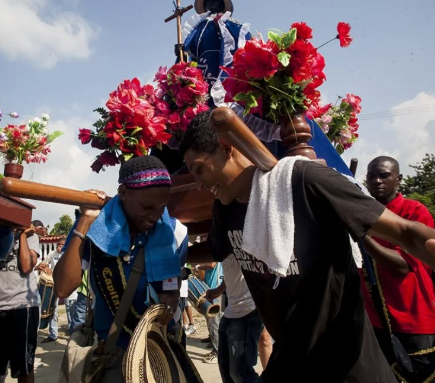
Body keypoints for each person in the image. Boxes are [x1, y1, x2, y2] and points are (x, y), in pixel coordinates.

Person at [180, 111, 435, 381]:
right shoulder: (225, 210)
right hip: (290, 360)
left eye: (199, 169)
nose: (198, 184)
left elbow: (407, 233)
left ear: (226, 146)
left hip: (348, 365)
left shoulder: (304, 181)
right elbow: (213, 250)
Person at [54, 156, 189, 383]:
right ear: (123, 192)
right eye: (147, 207)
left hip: (160, 353)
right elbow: (62, 288)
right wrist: (85, 222)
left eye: (162, 207)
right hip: (111, 354)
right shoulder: (95, 230)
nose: (155, 216)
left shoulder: (176, 232)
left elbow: (171, 291)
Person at [362, 156, 435, 381]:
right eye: (372, 176)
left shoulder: (413, 211)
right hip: (375, 320)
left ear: (398, 179)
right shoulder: (362, 211)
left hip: (413, 317)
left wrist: (361, 234)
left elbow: (402, 265)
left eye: (384, 175)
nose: (377, 181)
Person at [0, 224, 41, 383]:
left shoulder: (31, 237)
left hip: (22, 308)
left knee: (24, 369)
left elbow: (26, 266)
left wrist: (22, 236)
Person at [205, 254, 271, 382]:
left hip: (249, 311)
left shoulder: (248, 237)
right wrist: (219, 289)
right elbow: (232, 271)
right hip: (231, 311)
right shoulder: (226, 239)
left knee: (241, 374)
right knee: (226, 370)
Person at [194, 261, 223, 363]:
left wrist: (197, 266)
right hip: (213, 288)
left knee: (214, 322)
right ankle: (214, 341)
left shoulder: (214, 248)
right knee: (214, 321)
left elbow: (212, 264)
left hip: (215, 289)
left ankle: (217, 352)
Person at [41, 238, 67, 343]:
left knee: (70, 307)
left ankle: (72, 331)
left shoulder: (68, 253)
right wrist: (46, 268)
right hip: (53, 284)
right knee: (53, 308)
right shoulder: (52, 254)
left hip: (66, 284)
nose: (60, 246)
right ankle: (53, 334)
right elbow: (44, 264)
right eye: (59, 244)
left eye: (62, 244)